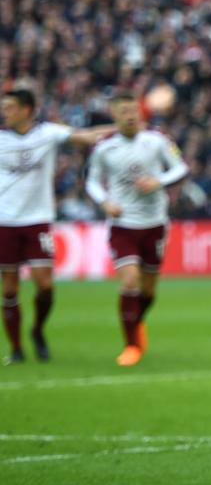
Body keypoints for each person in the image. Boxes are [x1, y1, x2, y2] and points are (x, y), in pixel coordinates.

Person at [0, 89, 112, 365]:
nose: (5, 113)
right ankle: (16, 348)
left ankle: (37, 330)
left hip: (37, 219)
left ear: (27, 110)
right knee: (10, 288)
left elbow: (85, 136)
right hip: (5, 221)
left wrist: (118, 127)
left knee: (45, 285)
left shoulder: (47, 133)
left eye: (11, 108)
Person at [85, 92, 188, 367]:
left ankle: (135, 323)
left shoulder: (157, 140)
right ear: (114, 115)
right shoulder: (104, 147)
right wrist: (105, 201)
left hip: (154, 222)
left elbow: (180, 168)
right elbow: (92, 182)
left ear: (140, 113)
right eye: (123, 111)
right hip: (123, 223)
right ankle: (131, 345)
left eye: (133, 110)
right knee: (129, 281)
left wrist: (159, 181)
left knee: (149, 291)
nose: (130, 115)